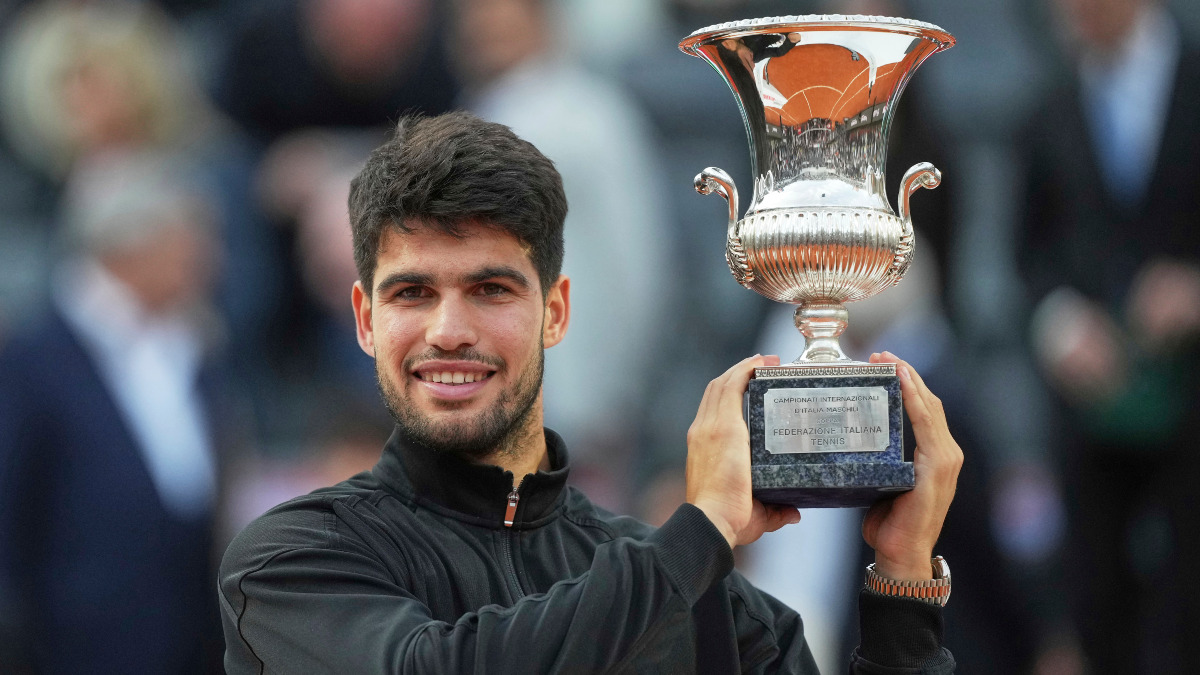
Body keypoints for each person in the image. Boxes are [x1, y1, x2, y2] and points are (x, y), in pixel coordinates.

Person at [218, 112, 963, 673]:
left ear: (556, 311)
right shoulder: (288, 562)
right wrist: (697, 531)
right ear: (365, 319)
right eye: (412, 291)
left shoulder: (710, 605)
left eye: (490, 289)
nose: (448, 329)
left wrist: (902, 581)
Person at [1018, 0, 1200, 671]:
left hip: (1189, 408)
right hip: (1093, 410)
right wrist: (1059, 321)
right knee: (1099, 612)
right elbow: (1028, 255)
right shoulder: (1051, 103)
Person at [0, 153, 228, 673]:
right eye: (191, 239)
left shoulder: (193, 343)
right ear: (133, 244)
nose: (210, 257)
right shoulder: (35, 360)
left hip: (192, 638)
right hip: (74, 646)